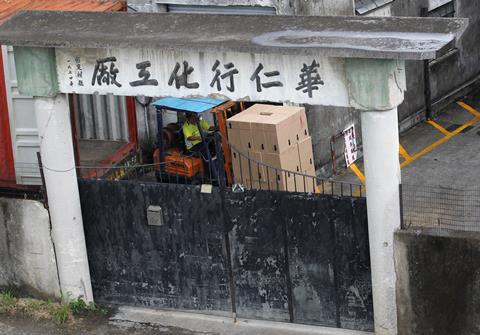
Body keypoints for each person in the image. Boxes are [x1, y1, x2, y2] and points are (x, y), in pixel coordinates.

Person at [182, 112, 218, 180]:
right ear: (188, 119)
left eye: (195, 117)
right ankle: (212, 175)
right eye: (193, 118)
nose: (195, 120)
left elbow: (209, 128)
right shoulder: (185, 127)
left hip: (202, 141)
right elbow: (189, 138)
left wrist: (218, 127)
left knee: (214, 143)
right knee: (205, 150)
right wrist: (199, 137)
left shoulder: (199, 121)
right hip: (193, 146)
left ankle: (217, 164)